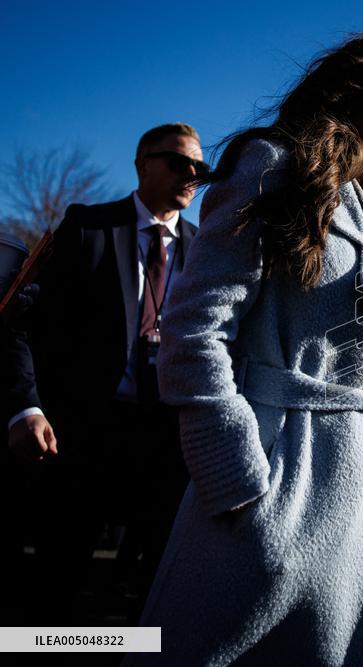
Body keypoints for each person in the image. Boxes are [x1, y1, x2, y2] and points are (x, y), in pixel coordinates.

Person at [128, 31, 363, 665]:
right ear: (357, 95)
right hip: (282, 471)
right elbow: (192, 330)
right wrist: (241, 477)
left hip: (360, 483)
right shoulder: (271, 165)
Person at [3, 122, 202, 622]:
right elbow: (19, 323)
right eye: (179, 162)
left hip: (169, 444)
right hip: (84, 437)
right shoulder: (88, 227)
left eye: (200, 167)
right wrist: (26, 407)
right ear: (142, 164)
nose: (192, 175)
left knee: (154, 596)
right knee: (56, 586)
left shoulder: (206, 250)